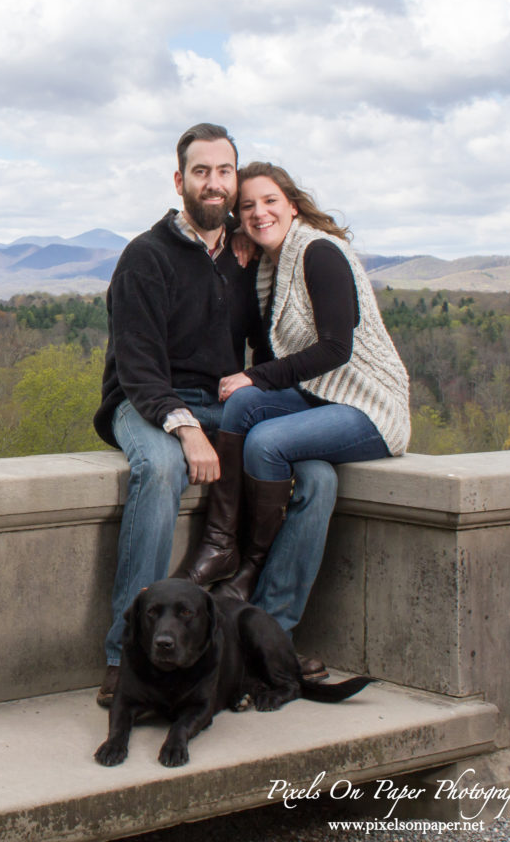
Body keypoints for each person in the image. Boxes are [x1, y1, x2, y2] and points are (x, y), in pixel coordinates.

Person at [93, 127, 338, 704]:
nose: (215, 183)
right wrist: (185, 429)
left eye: (224, 171)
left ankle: (266, 638)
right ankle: (121, 656)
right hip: (146, 401)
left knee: (319, 479)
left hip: (229, 404)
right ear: (180, 181)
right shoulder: (145, 258)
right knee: (160, 471)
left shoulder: (243, 255)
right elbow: (138, 367)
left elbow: (267, 346)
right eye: (201, 171)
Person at [185, 160, 410, 602]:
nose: (259, 212)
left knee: (266, 441)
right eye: (246, 206)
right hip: (321, 399)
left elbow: (334, 350)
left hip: (369, 407)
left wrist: (254, 375)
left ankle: (251, 566)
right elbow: (273, 349)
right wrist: (235, 235)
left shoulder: (319, 252)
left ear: (292, 204)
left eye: (270, 201)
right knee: (240, 406)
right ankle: (221, 542)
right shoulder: (273, 264)